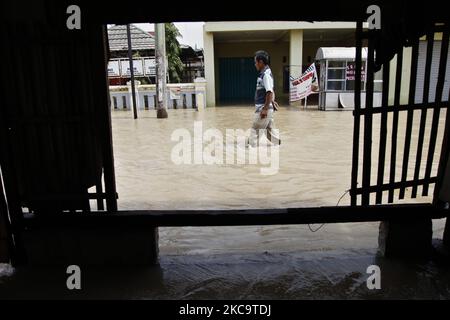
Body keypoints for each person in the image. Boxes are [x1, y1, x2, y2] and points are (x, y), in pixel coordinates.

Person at [247, 50, 281, 147]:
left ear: (261, 62)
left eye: (255, 62)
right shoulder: (265, 74)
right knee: (269, 133)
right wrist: (272, 101)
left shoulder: (266, 75)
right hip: (266, 108)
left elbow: (269, 91)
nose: (255, 64)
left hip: (263, 109)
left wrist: (265, 109)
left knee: (254, 132)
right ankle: (279, 148)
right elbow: (270, 91)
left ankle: (249, 152)